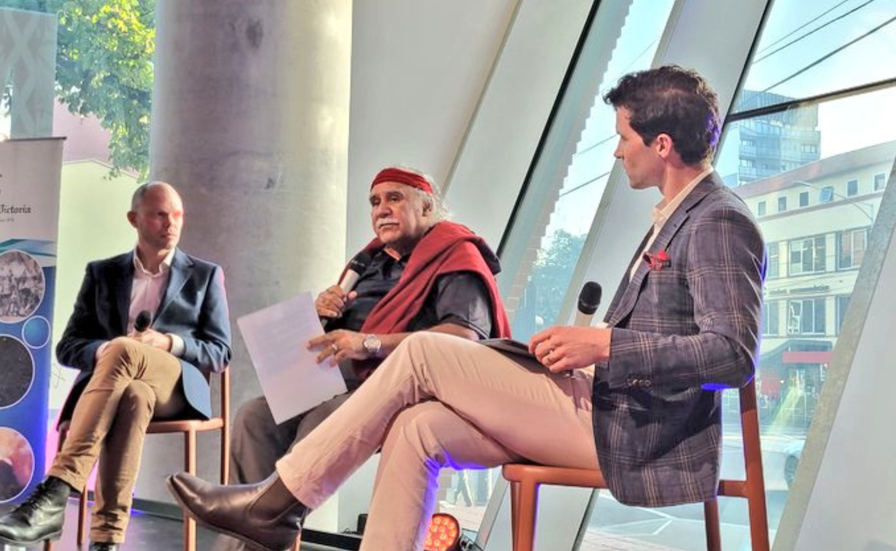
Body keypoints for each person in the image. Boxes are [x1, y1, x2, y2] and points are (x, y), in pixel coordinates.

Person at [166, 65, 766, 551]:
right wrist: (580, 355)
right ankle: (281, 507)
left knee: (427, 349)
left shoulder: (717, 220)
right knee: (417, 427)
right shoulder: (678, 217)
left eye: (624, 138)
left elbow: (732, 356)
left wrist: (604, 345)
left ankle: (278, 503)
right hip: (602, 403)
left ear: (661, 145)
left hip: (634, 434)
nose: (617, 153)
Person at [212, 166, 511, 551]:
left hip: (401, 385)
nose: (381, 209)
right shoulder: (368, 262)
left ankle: (263, 528)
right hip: (339, 378)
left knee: (324, 421)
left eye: (394, 198)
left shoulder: (457, 255)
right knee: (253, 417)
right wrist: (321, 314)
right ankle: (257, 537)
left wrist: (367, 343)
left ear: (427, 207)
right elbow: (340, 337)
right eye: (374, 201)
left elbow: (465, 337)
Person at [0, 182, 232, 551]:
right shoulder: (103, 273)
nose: (171, 223)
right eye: (160, 214)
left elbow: (220, 351)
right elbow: (69, 347)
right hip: (121, 385)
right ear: (134, 219)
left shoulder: (205, 275)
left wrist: (168, 342)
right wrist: (106, 351)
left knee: (127, 353)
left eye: (177, 215)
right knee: (132, 394)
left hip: (175, 386)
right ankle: (106, 540)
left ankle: (55, 493)